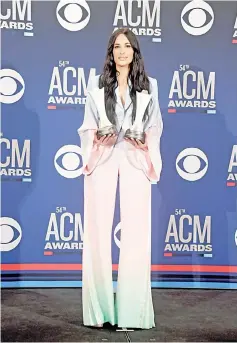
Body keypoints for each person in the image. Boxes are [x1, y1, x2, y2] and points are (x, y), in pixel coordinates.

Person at [77, 28, 163, 330]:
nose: (122, 51)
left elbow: (154, 128)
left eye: (127, 46)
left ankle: (132, 314)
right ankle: (99, 314)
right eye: (117, 46)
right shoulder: (97, 84)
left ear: (135, 51)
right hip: (103, 158)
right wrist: (97, 138)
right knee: (98, 231)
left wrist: (145, 145)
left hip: (135, 159)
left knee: (137, 233)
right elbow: (87, 127)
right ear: (111, 52)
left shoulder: (149, 85)